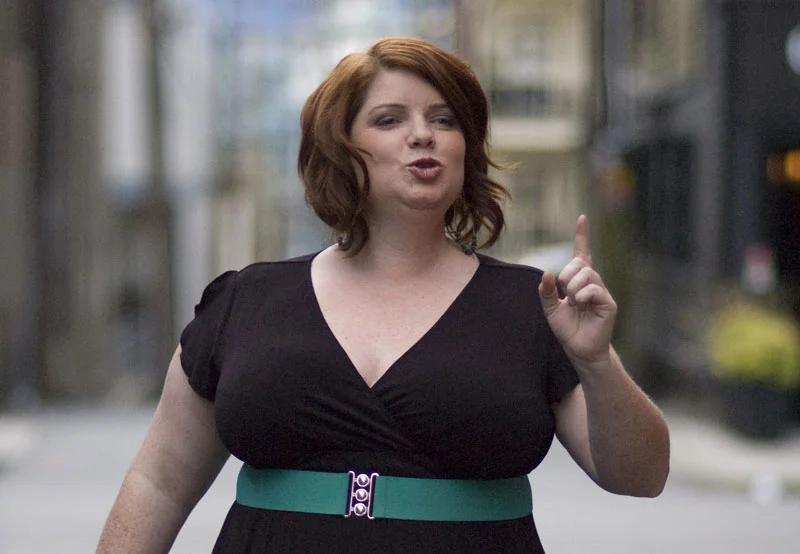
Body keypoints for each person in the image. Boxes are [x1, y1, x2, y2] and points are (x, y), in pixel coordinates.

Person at [97, 37, 669, 554]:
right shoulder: (246, 301)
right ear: (341, 147)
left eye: (443, 119)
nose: (422, 134)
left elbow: (640, 477)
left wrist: (597, 362)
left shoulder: (536, 305)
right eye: (390, 119)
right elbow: (158, 483)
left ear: (465, 148)